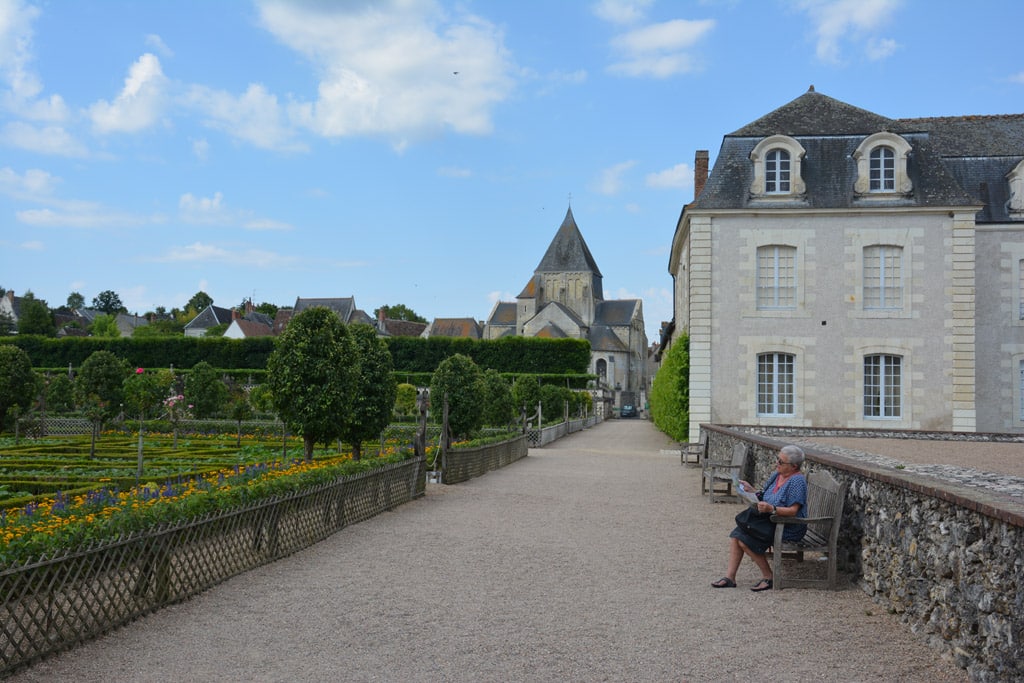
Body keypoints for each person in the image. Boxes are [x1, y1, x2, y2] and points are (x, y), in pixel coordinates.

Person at [711, 445, 808, 592]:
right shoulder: (778, 475)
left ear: (794, 466)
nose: (777, 464)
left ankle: (769, 577)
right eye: (778, 459)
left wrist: (772, 509)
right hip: (769, 520)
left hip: (788, 525)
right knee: (736, 535)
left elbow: (793, 511)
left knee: (744, 540)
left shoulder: (796, 481)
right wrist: (751, 490)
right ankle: (730, 577)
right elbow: (764, 495)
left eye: (781, 462)